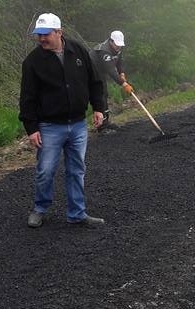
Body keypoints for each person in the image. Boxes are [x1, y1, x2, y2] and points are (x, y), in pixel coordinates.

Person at [19, 13, 106, 229]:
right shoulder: (32, 62)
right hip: (49, 127)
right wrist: (31, 128)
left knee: (77, 169)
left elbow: (94, 81)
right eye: (38, 35)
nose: (41, 39)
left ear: (59, 32)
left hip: (77, 124)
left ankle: (77, 213)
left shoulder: (77, 51)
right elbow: (27, 98)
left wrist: (98, 108)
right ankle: (40, 209)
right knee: (46, 170)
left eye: (45, 34)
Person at [90, 30, 133, 133]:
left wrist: (122, 73)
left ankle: (106, 121)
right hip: (91, 71)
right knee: (100, 94)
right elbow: (111, 71)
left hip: (101, 72)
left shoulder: (118, 48)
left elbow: (120, 61)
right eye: (117, 45)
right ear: (111, 41)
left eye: (120, 45)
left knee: (105, 94)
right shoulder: (104, 51)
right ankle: (101, 126)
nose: (119, 47)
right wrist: (124, 84)